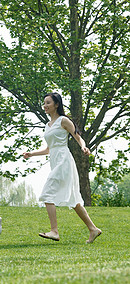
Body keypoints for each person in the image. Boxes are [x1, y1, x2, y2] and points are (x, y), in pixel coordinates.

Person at [23, 92, 102, 244]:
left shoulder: (63, 120)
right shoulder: (48, 125)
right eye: (44, 103)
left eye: (48, 103)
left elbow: (77, 136)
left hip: (64, 160)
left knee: (47, 194)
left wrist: (83, 147)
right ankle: (93, 229)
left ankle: (54, 231)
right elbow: (48, 149)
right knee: (74, 200)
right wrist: (31, 154)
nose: (45, 106)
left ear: (56, 105)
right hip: (55, 159)